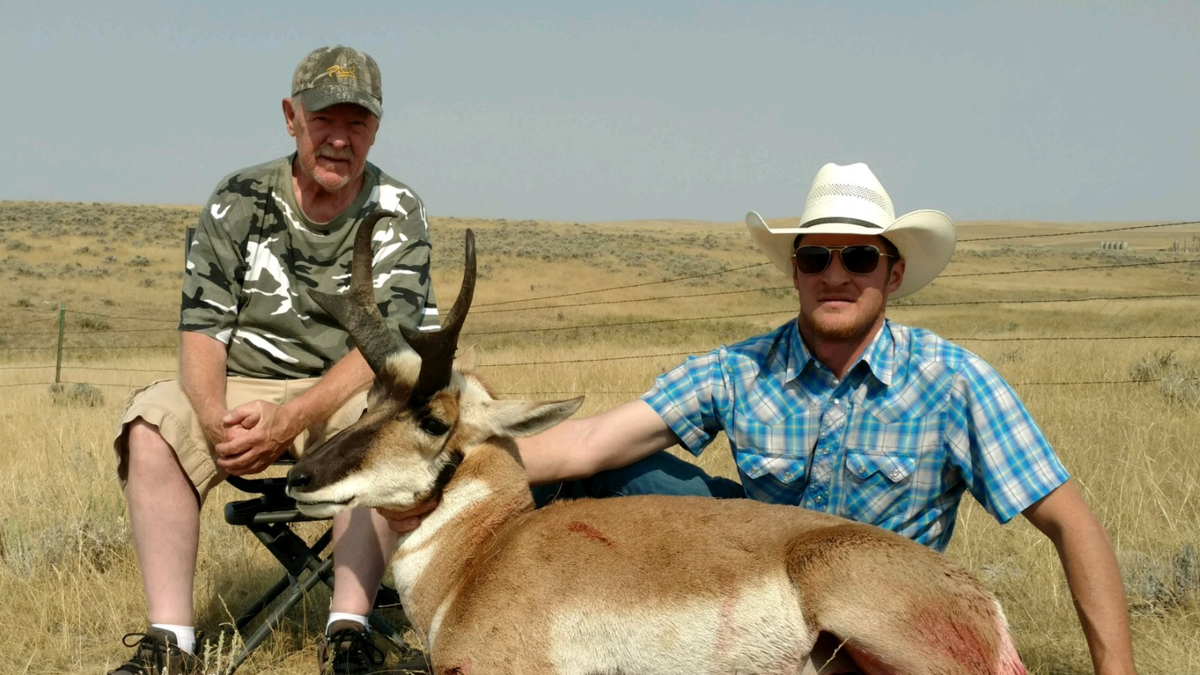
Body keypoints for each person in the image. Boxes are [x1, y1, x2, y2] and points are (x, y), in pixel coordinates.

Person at [382, 163, 1137, 675]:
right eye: (815, 257)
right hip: (760, 595)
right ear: (796, 270)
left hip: (878, 601)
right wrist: (443, 463)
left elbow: (1072, 522)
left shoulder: (956, 382)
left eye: (859, 258)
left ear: (893, 271)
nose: (835, 274)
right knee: (625, 468)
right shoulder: (741, 368)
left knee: (836, 572)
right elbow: (588, 440)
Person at [109, 45, 438, 675]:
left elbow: (381, 345)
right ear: (291, 117)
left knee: (375, 431)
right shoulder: (237, 199)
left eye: (357, 123)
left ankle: (348, 632)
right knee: (152, 425)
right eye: (324, 120)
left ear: (377, 127)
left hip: (346, 391)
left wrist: (288, 420)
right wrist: (211, 417)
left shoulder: (399, 210)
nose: (340, 140)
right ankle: (170, 643)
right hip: (240, 384)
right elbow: (204, 327)